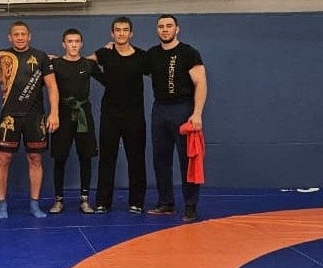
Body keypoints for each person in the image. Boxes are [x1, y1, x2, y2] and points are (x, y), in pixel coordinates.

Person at [0, 21, 59, 218]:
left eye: (23, 34)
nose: (20, 37)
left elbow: (52, 86)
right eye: (16, 34)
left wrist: (54, 112)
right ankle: (2, 205)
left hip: (34, 116)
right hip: (9, 116)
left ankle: (34, 205)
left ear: (29, 36)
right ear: (9, 37)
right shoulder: (0, 56)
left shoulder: (41, 57)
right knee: (3, 159)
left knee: (35, 159)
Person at [146, 14, 208, 223]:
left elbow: (201, 83)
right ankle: (166, 203)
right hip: (160, 109)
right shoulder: (152, 54)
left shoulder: (188, 53)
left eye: (169, 26)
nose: (165, 29)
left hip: (183, 108)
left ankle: (190, 206)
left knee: (187, 159)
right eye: (161, 26)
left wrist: (197, 113)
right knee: (160, 158)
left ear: (177, 29)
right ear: (157, 30)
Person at [91, 16, 149, 214]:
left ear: (131, 33)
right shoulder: (105, 53)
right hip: (110, 114)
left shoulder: (141, 56)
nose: (121, 33)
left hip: (134, 115)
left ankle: (137, 202)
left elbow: (156, 72)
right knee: (107, 158)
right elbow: (84, 62)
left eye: (125, 30)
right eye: (118, 30)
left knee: (136, 159)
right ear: (112, 33)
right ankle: (103, 202)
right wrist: (103, 79)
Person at [48, 28, 101, 215]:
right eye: (70, 41)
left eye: (77, 41)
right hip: (61, 114)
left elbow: (109, 79)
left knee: (85, 156)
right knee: (60, 157)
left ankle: (85, 199)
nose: (73, 45)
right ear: (64, 44)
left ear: (81, 44)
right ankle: (58, 200)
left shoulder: (88, 64)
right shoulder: (55, 64)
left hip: (83, 114)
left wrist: (108, 50)